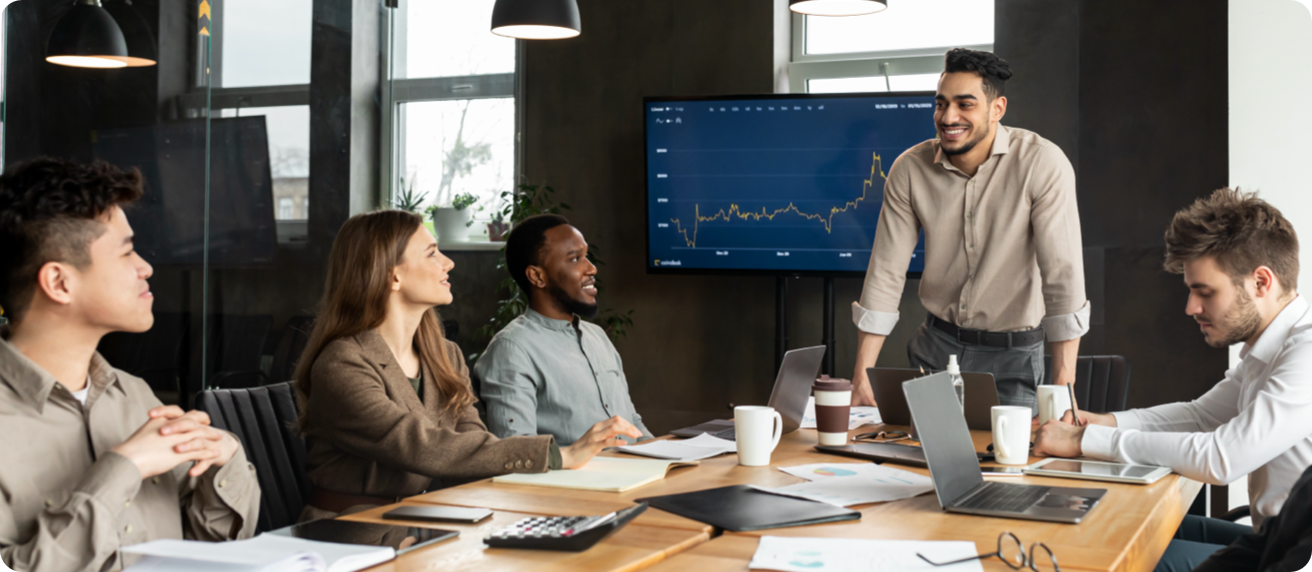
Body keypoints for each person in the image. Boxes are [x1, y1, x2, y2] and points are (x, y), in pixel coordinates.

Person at [0, 158, 260, 572]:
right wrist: (123, 469)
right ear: (59, 283)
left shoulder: (136, 396)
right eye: (126, 253)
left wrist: (222, 463)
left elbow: (208, 552)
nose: (146, 267)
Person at [1032, 188, 1312, 572]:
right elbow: (1199, 417)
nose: (1191, 308)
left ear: (1261, 282)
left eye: (1205, 292)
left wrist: (1085, 442)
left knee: (1110, 556)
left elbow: (1221, 458)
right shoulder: (1268, 349)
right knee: (1117, 523)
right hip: (1274, 539)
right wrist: (1101, 422)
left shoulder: (1306, 354)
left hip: (1290, 558)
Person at [294, 210, 640, 520]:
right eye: (432, 254)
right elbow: (420, 445)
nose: (449, 263)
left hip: (430, 519)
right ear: (393, 276)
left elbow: (473, 445)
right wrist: (559, 455)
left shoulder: (444, 355)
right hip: (353, 533)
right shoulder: (342, 363)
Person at [849, 48, 1089, 413]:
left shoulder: (1043, 164)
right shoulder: (909, 170)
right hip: (935, 348)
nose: (948, 117)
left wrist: (1062, 387)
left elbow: (1063, 277)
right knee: (918, 461)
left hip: (1016, 358)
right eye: (941, 103)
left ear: (997, 109)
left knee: (1007, 467)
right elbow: (886, 272)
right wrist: (862, 374)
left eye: (965, 104)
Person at [475, 214, 653, 444]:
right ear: (537, 276)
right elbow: (515, 453)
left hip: (637, 476)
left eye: (586, 256)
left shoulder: (597, 336)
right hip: (581, 480)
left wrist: (670, 459)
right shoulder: (511, 349)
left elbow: (633, 423)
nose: (591, 268)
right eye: (575, 258)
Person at [1193, 463, 1312, 572]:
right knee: (1180, 528)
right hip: (1265, 543)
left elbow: (1219, 464)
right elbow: (1268, 539)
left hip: (1271, 549)